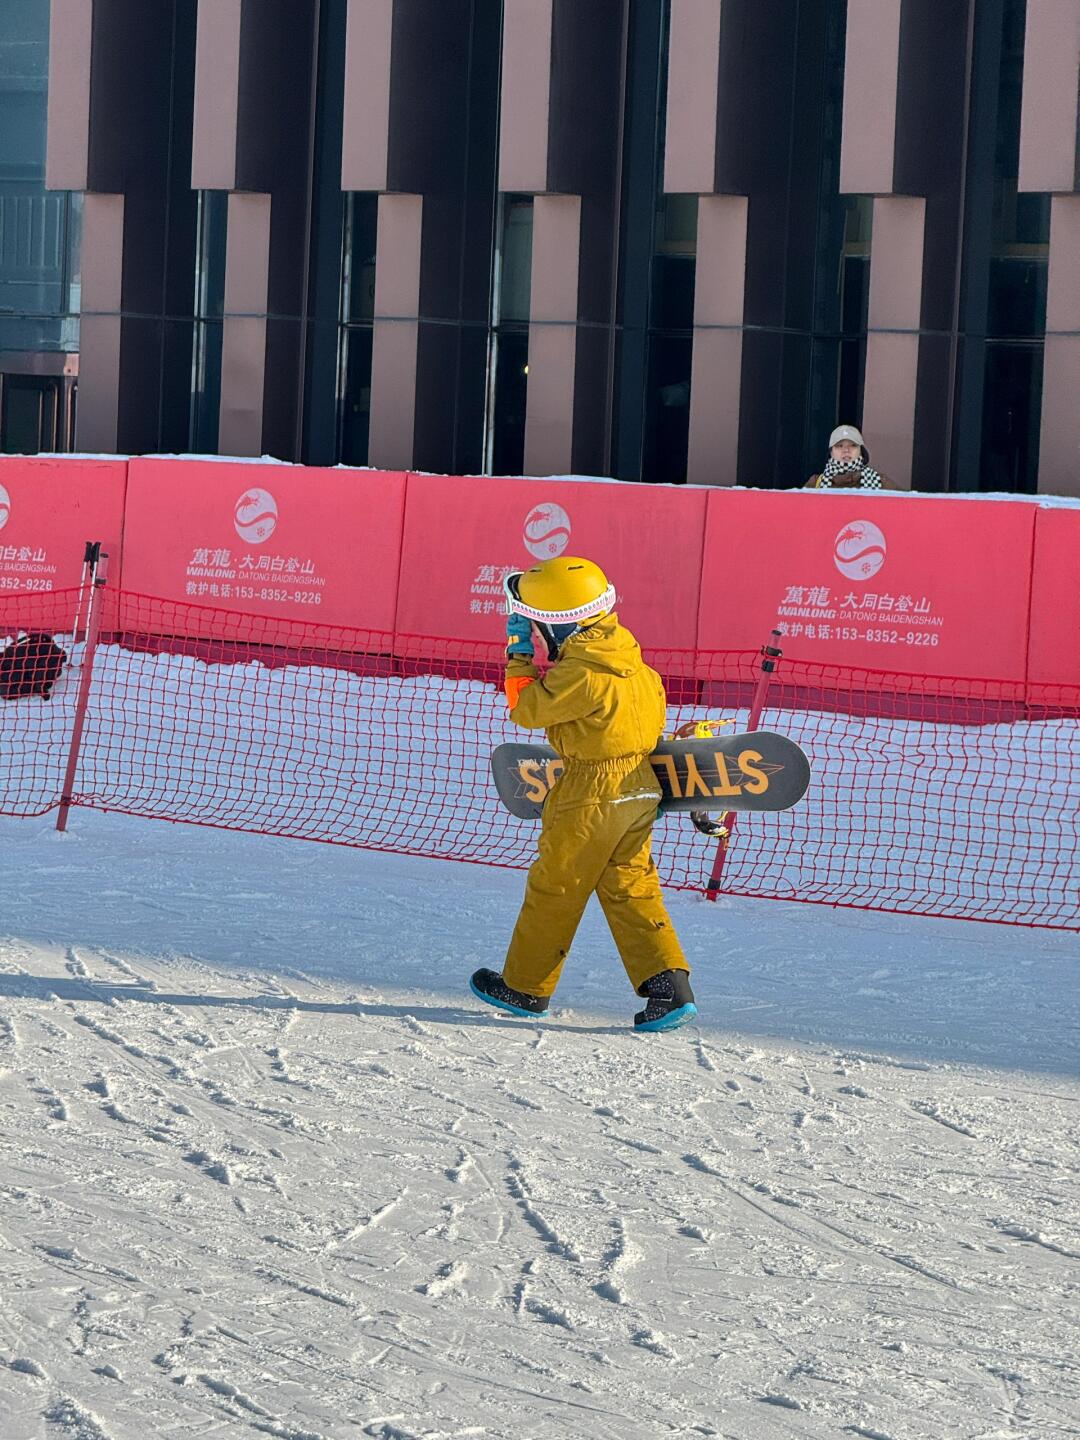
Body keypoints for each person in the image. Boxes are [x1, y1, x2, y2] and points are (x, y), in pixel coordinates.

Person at [469, 556, 696, 1032]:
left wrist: (519, 654)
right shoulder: (637, 668)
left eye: (536, 625)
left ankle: (525, 987)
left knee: (557, 885)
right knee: (630, 885)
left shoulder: (581, 674)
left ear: (557, 626)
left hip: (589, 791)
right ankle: (668, 987)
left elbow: (526, 710)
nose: (534, 632)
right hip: (639, 788)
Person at [805, 424, 899, 490]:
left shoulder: (879, 482)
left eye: (853, 445)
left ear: (861, 451)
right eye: (839, 446)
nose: (846, 450)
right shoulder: (816, 483)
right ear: (831, 452)